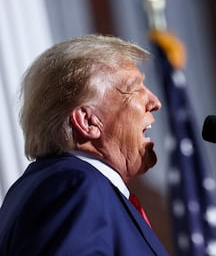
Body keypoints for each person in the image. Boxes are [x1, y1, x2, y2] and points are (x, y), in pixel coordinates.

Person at [0, 34, 169, 255]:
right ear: (88, 121)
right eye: (134, 88)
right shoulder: (76, 186)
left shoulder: (46, 186)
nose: (155, 102)